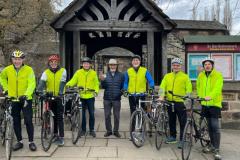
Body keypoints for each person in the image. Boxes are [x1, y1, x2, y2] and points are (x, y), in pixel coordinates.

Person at [0, 50, 37, 151]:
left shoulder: (29, 70)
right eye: (15, 59)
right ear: (12, 59)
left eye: (19, 59)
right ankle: (19, 141)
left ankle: (31, 142)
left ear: (22, 60)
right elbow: (2, 78)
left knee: (28, 120)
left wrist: (26, 94)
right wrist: (6, 89)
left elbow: (32, 83)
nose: (17, 61)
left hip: (25, 99)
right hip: (13, 99)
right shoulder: (7, 70)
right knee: (15, 121)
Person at [158, 57, 192, 149]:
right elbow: (162, 87)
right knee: (171, 120)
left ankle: (182, 139)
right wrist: (161, 96)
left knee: (182, 122)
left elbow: (189, 89)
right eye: (174, 65)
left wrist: (186, 100)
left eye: (177, 65)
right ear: (172, 66)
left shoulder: (185, 77)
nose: (175, 67)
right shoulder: (167, 76)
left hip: (180, 102)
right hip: (169, 102)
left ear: (180, 66)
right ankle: (173, 137)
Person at [37, 54, 66, 146]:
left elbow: (62, 83)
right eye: (51, 62)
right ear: (49, 63)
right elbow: (41, 83)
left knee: (59, 117)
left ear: (58, 63)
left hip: (59, 97)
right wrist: (39, 91)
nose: (53, 63)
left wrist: (60, 93)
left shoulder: (63, 71)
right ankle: (54, 134)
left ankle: (61, 137)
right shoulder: (46, 72)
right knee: (53, 116)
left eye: (55, 62)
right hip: (50, 97)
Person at [197, 57, 223, 160]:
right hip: (205, 104)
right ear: (203, 66)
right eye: (205, 64)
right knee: (209, 127)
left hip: (214, 104)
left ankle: (216, 149)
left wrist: (210, 96)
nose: (207, 66)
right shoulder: (201, 75)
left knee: (215, 127)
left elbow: (218, 88)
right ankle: (212, 145)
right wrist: (200, 96)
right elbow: (198, 86)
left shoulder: (218, 75)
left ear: (212, 65)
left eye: (209, 64)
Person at [66, 57, 99, 137]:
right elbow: (73, 81)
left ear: (90, 64)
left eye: (87, 63)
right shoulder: (78, 72)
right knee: (82, 114)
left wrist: (96, 91)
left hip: (90, 96)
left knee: (91, 113)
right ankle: (83, 130)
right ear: (82, 64)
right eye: (84, 63)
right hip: (81, 96)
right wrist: (67, 85)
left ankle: (92, 130)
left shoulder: (93, 73)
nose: (86, 65)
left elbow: (96, 83)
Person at [99, 59, 124, 138]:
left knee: (116, 116)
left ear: (116, 66)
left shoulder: (121, 75)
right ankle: (109, 131)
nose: (112, 66)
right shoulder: (105, 75)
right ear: (109, 66)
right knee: (107, 115)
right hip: (107, 99)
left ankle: (116, 131)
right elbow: (103, 87)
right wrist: (102, 81)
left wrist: (120, 94)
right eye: (111, 65)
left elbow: (123, 87)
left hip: (117, 99)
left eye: (114, 65)